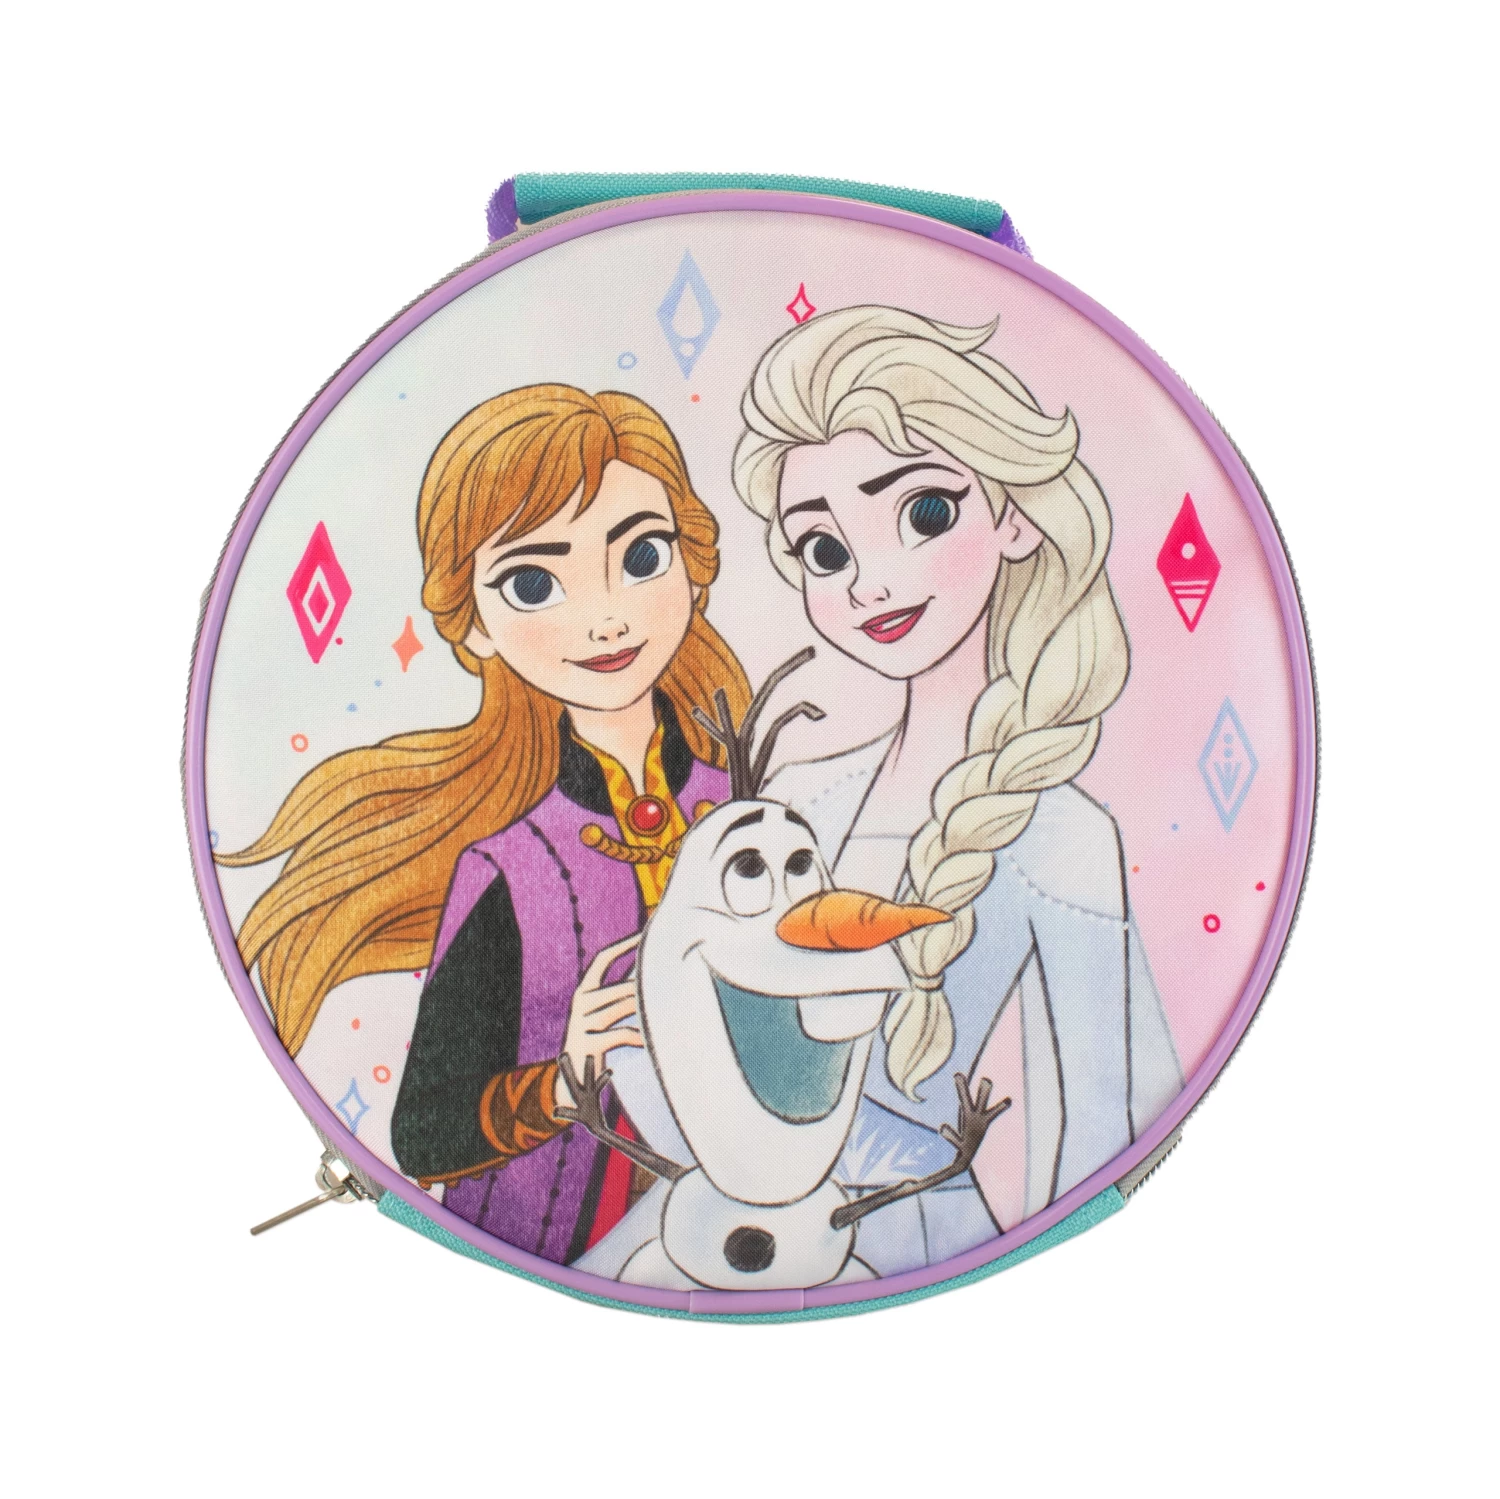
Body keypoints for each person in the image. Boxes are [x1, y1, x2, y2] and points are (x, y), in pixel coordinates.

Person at [219, 385, 750, 1265]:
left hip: (750, 1219)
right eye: (534, 583)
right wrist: (565, 1080)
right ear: (476, 629)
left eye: (641, 555)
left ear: (695, 566)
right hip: (571, 1242)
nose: (605, 616)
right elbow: (424, 1134)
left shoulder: (748, 805)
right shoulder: (513, 867)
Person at [731, 306, 1182, 1272]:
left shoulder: (1062, 833)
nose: (869, 584)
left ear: (1014, 515)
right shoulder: (795, 793)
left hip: (919, 1239)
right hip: (736, 1223)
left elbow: (1104, 1124)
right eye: (825, 550)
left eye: (924, 513)